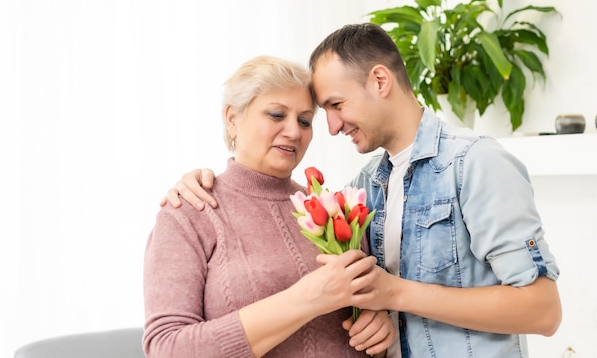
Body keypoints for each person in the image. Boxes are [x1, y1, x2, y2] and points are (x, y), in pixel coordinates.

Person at [161, 23, 562, 358]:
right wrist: (380, 318)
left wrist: (394, 296)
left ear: (380, 80)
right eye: (280, 115)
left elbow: (543, 312)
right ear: (232, 119)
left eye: (330, 107)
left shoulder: (475, 163)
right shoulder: (359, 191)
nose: (330, 128)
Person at [143, 55, 396, 358]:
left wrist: (378, 325)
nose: (294, 131)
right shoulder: (189, 213)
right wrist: (307, 299)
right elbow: (167, 349)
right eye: (276, 115)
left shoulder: (335, 211)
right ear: (232, 119)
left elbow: (365, 315)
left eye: (304, 121)